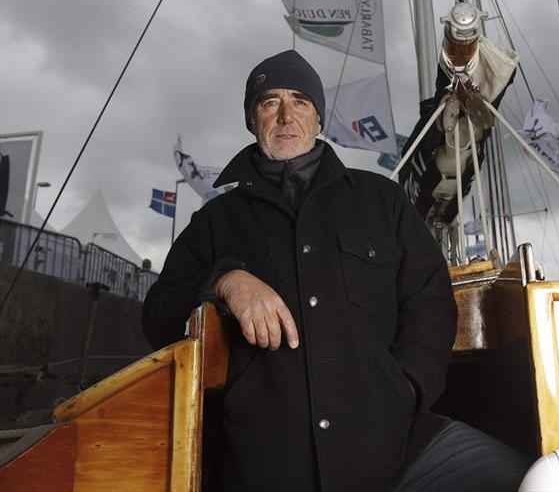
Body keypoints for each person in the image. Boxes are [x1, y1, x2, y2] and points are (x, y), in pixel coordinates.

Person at [142, 50, 529, 492]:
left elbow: (431, 302)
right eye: (270, 102)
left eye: (301, 102)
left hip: (398, 447)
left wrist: (407, 388)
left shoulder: (382, 201)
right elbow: (157, 317)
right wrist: (225, 281)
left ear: (319, 119)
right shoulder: (215, 223)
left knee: (529, 481)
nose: (286, 115)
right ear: (253, 119)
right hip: (267, 466)